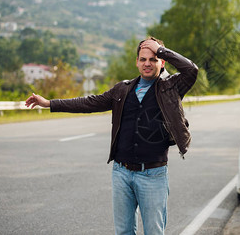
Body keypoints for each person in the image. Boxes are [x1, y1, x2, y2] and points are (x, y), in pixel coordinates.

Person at [25, 37, 198, 235]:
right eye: (143, 59)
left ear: (162, 61)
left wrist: (161, 49)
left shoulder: (171, 87)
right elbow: (88, 103)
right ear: (137, 62)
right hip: (121, 173)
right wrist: (50, 103)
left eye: (153, 58)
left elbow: (191, 70)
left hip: (153, 174)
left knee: (154, 232)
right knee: (123, 232)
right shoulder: (122, 90)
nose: (147, 63)